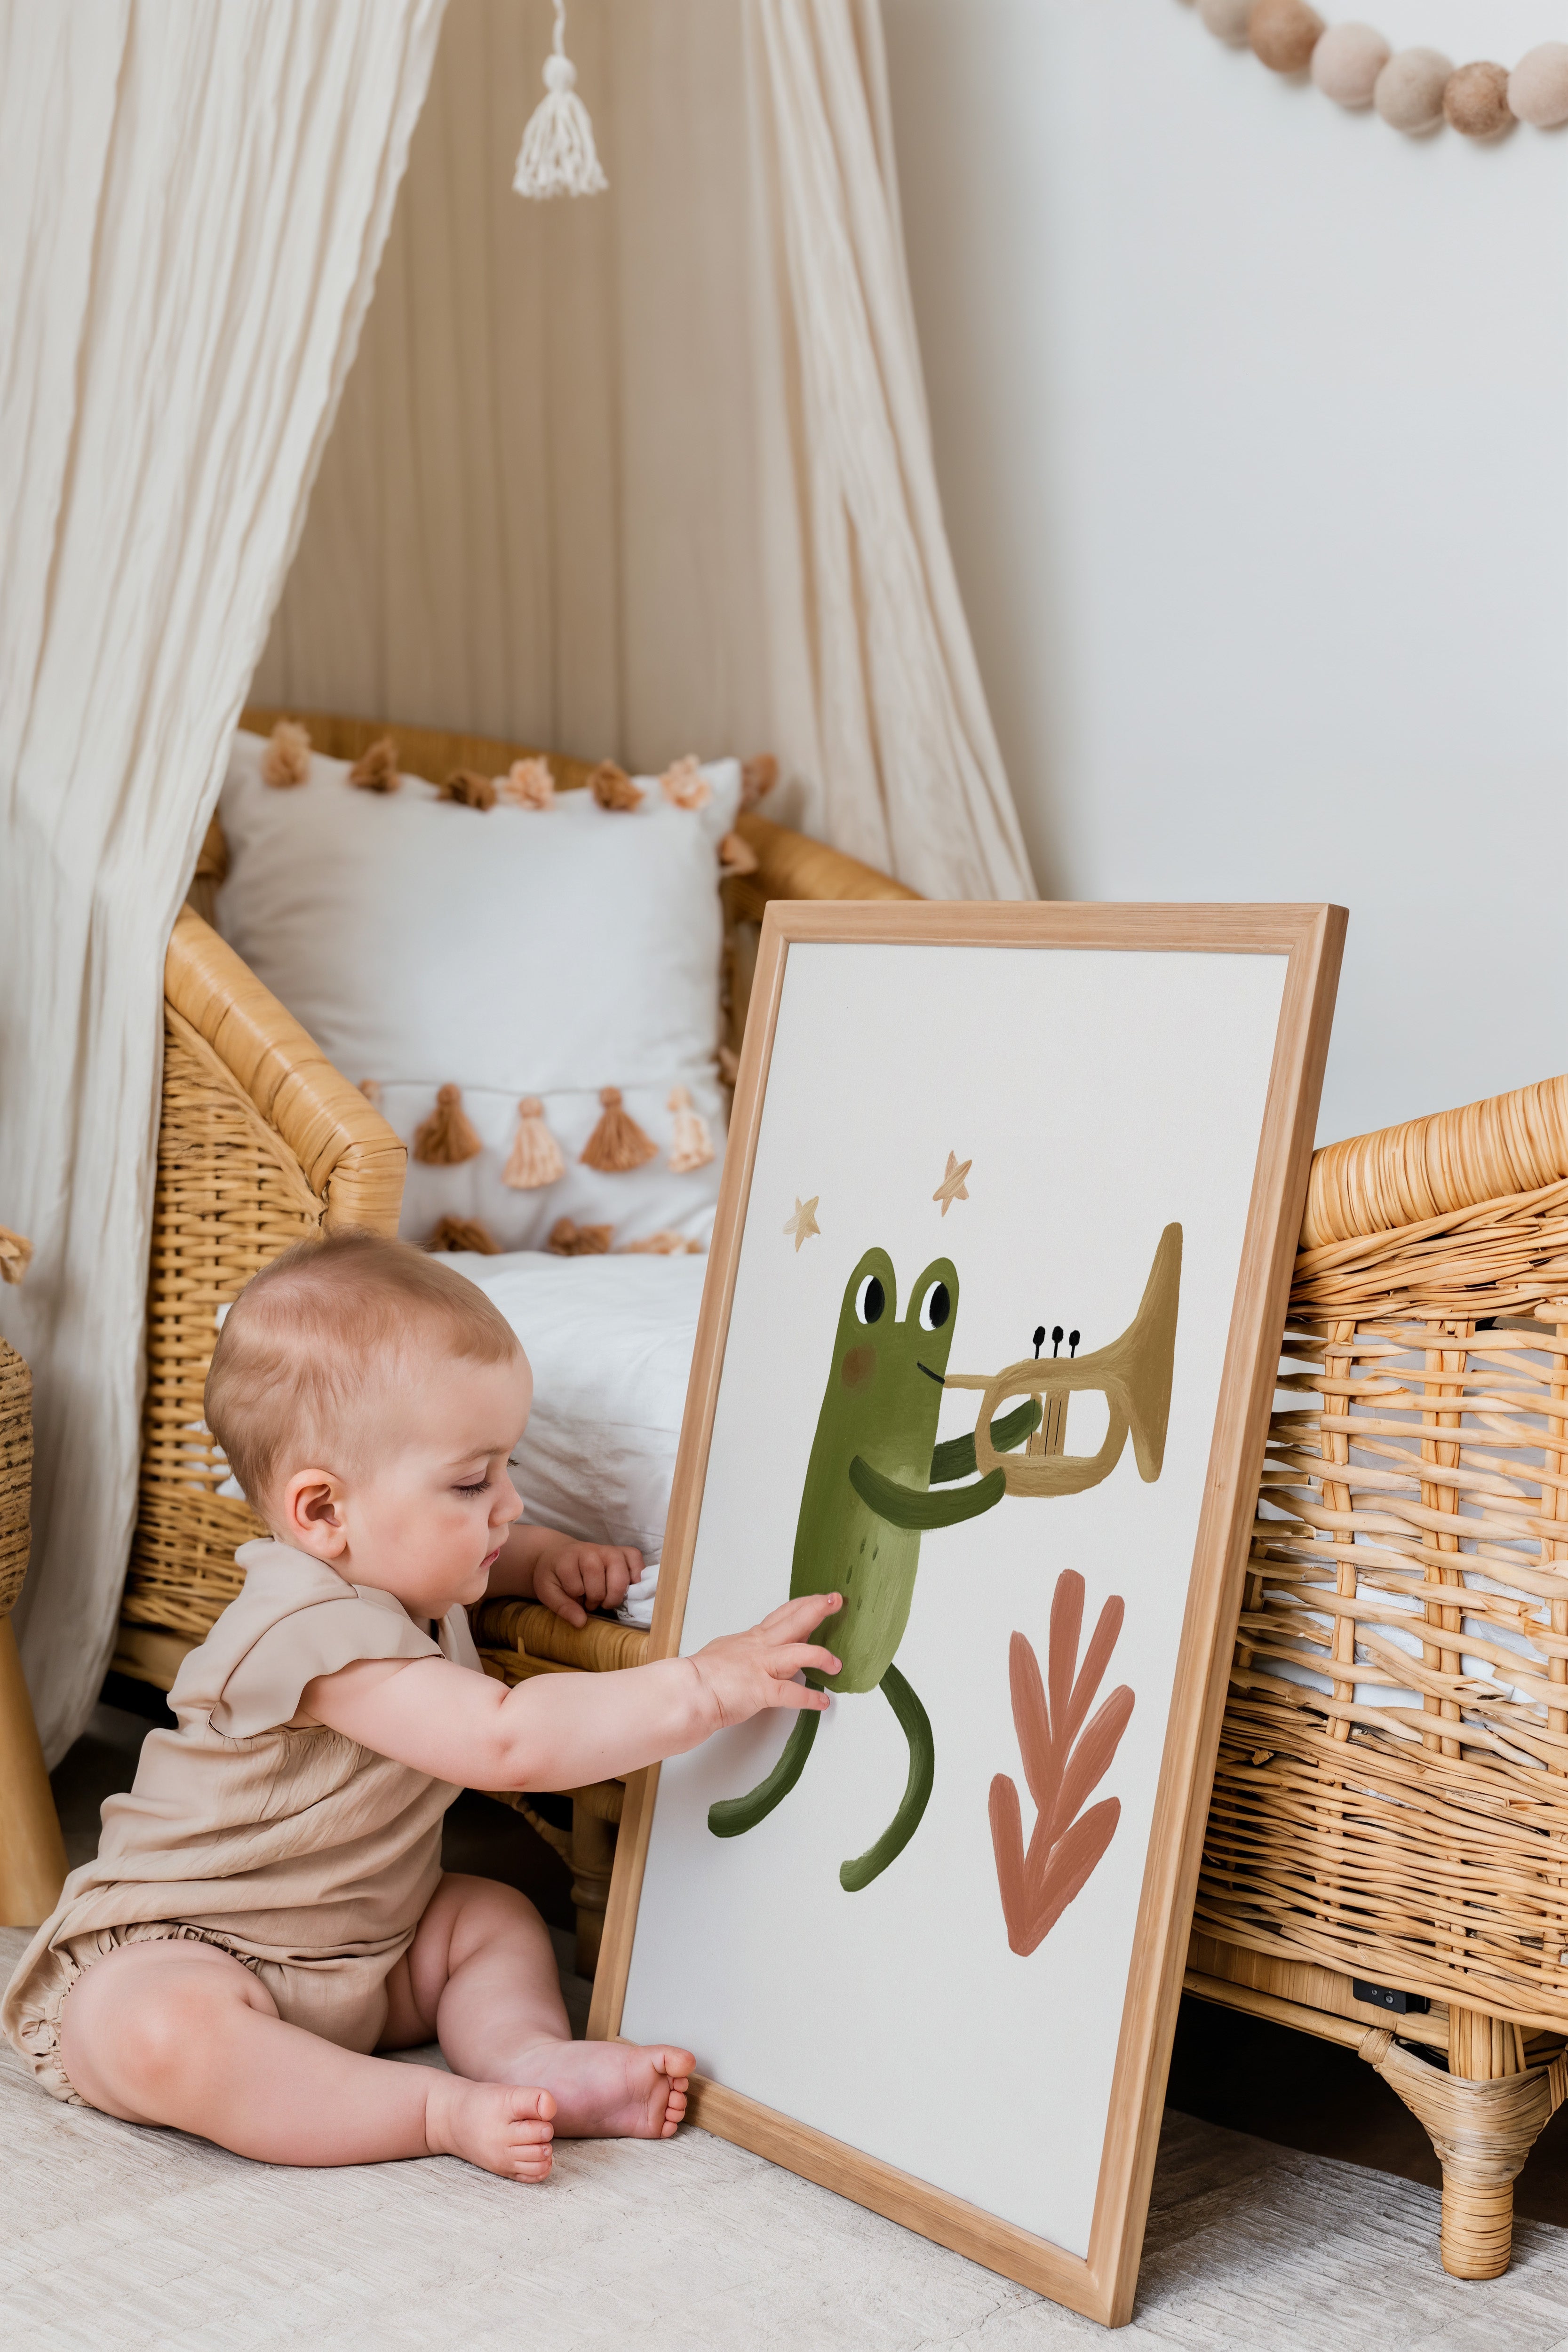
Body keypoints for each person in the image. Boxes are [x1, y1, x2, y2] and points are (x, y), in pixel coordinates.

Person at [1, 1231, 841, 2182]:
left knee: (490, 1918)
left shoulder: (396, 1573)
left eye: (507, 1471)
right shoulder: (302, 1629)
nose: (509, 1504)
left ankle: (526, 2058)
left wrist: (539, 1558)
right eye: (473, 1482)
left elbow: (453, 1549)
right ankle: (436, 2108)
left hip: (374, 1947)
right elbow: (507, 1739)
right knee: (153, 2030)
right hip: (199, 1943)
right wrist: (701, 1683)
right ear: (321, 1513)